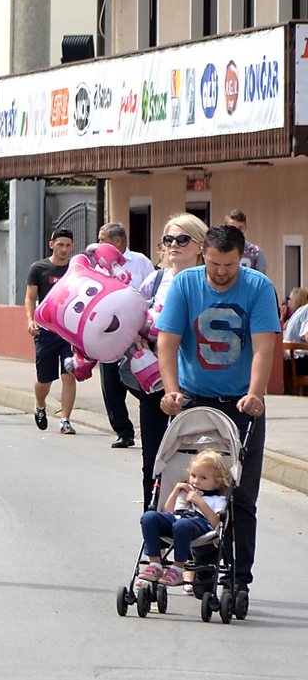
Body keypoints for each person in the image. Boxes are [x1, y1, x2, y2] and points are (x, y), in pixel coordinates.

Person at [156, 224, 280, 594]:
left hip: (242, 403)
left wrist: (256, 394)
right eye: (214, 263)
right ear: (202, 256)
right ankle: (204, 572)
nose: (221, 271)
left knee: (240, 495)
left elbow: (263, 347)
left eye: (229, 264)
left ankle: (240, 579)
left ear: (241, 257)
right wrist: (171, 391)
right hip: (195, 400)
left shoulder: (258, 287)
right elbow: (167, 342)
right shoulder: (185, 284)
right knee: (199, 488)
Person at [136, 214, 208, 500]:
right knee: (153, 461)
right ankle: (152, 526)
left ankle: (192, 523)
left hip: (195, 381)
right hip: (156, 383)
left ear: (200, 246)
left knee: (194, 461)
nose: (174, 245)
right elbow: (131, 318)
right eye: (168, 240)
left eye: (182, 239)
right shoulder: (154, 281)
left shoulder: (206, 282)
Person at [95, 222, 153, 449]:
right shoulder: (97, 265)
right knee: (110, 383)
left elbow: (152, 294)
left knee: (138, 379)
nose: (99, 244)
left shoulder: (141, 262)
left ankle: (154, 416)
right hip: (107, 333)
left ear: (117, 241)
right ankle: (123, 431)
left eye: (102, 239)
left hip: (136, 333)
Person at [137, 450, 231, 588]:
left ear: (217, 483)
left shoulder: (218, 499)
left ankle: (178, 568)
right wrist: (175, 493)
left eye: (203, 478)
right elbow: (168, 512)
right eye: (193, 476)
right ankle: (155, 564)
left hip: (200, 525)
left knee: (182, 524)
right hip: (177, 519)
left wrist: (199, 501)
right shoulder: (184, 492)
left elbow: (217, 523)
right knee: (149, 517)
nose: (196, 481)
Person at [25, 228, 77, 434]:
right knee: (44, 379)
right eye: (60, 245)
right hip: (45, 330)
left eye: (67, 245)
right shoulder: (39, 268)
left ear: (72, 246)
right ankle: (40, 404)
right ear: (52, 245)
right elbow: (30, 297)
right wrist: (30, 320)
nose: (64, 249)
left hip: (70, 331)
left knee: (69, 373)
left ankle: (65, 420)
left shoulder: (76, 268)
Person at [224, 209, 267, 274]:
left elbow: (262, 280)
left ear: (246, 228)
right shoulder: (218, 250)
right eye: (233, 228)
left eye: (240, 228)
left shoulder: (256, 252)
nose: (237, 232)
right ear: (225, 228)